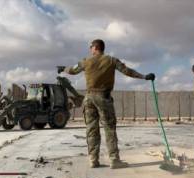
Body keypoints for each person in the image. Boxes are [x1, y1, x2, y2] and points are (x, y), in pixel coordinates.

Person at [59, 39, 155, 168]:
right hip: (103, 98)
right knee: (109, 128)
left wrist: (63, 69)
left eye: (91, 47)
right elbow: (128, 71)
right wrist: (144, 77)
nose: (90, 49)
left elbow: (72, 70)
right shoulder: (111, 60)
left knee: (91, 130)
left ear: (95, 48)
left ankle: (93, 159)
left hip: (89, 99)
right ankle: (114, 160)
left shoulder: (86, 61)